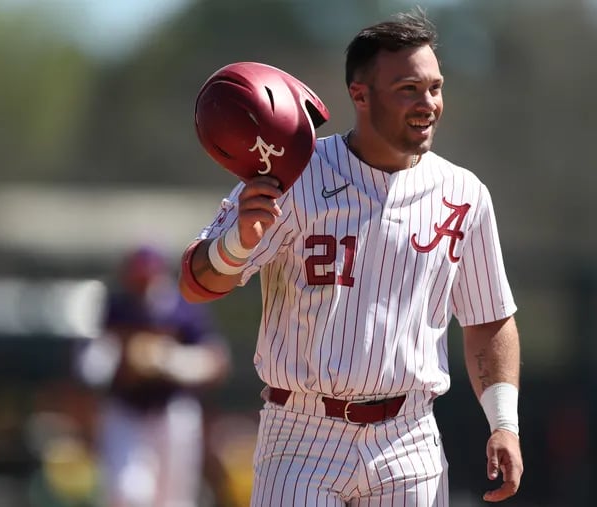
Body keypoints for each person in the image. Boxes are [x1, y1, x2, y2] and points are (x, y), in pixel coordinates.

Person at [179, 10, 523, 506]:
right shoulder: (294, 172)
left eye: (435, 87)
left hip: (409, 436)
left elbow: (489, 319)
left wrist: (504, 424)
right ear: (360, 96)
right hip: (302, 433)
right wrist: (236, 243)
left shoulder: (463, 194)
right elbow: (194, 282)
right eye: (408, 88)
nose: (428, 103)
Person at [77, 246, 230, 507]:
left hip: (172, 412)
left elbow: (216, 360)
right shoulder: (115, 307)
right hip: (126, 411)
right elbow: (89, 365)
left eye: (147, 277)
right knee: (127, 493)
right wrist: (122, 356)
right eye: (137, 277)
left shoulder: (184, 307)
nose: (142, 284)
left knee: (175, 499)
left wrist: (167, 359)